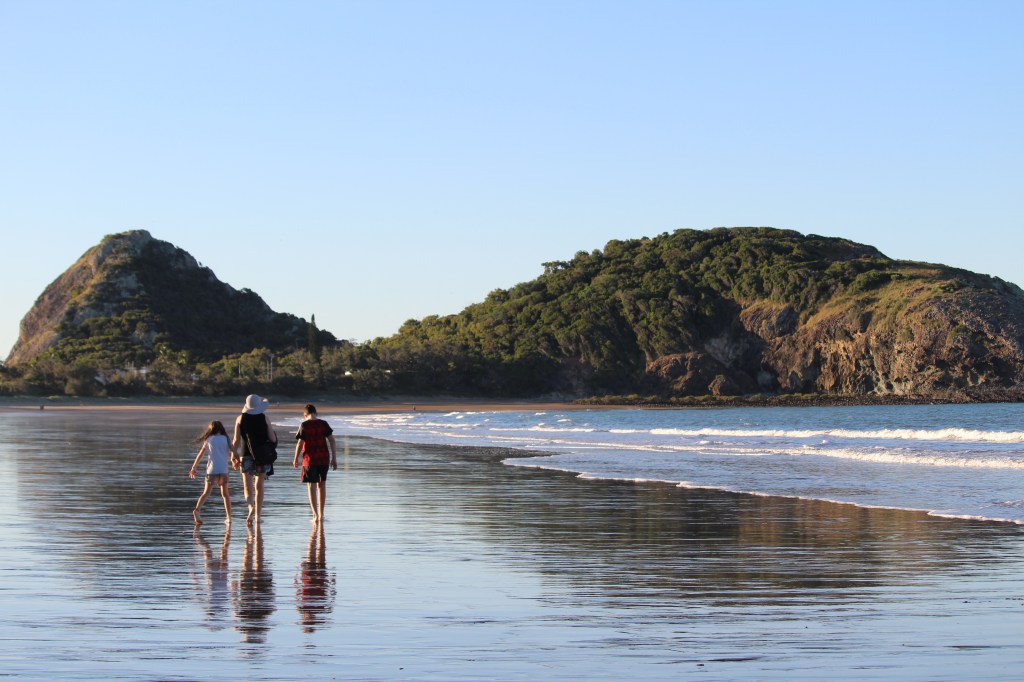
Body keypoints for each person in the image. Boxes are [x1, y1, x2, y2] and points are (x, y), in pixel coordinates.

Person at [233, 394, 278, 527]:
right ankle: (258, 516)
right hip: (262, 456)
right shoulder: (264, 418)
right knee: (259, 486)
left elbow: (236, 440)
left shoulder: (240, 418)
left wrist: (233, 455)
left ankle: (250, 508)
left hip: (245, 454)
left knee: (247, 486)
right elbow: (272, 439)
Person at [292, 404, 337, 523]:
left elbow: (300, 443)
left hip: (309, 460)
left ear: (305, 415)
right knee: (322, 485)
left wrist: (295, 458)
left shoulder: (304, 425)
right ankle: (321, 515)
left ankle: (315, 515)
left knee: (311, 486)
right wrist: (334, 458)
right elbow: (332, 441)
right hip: (323, 458)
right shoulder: (324, 424)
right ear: (316, 413)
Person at [188, 420, 234, 526]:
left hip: (211, 470)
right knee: (225, 495)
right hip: (223, 470)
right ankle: (228, 517)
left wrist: (194, 467)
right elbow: (233, 450)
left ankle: (197, 510)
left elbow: (200, 455)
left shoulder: (209, 439)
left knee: (206, 493)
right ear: (221, 428)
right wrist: (237, 460)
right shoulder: (226, 439)